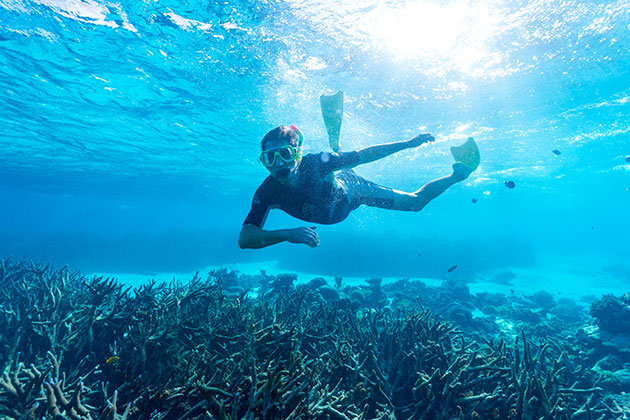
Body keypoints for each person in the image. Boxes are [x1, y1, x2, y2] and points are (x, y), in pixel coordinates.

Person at [239, 92, 480, 249]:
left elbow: (366, 155)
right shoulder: (267, 191)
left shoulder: (314, 164)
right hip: (335, 195)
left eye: (285, 154)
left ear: (298, 154)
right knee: (340, 161)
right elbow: (245, 239)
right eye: (270, 158)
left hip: (353, 193)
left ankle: (458, 175)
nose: (279, 164)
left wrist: (408, 143)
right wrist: (287, 234)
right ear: (263, 162)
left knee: (415, 203)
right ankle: (337, 148)